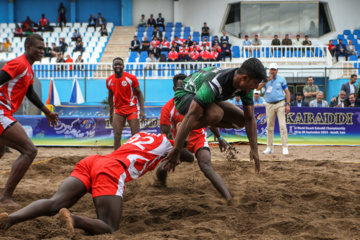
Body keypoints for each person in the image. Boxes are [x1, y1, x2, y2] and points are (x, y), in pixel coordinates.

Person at [0, 132, 193, 235]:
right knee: (109, 226)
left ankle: (10, 219)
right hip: (111, 170)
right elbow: (189, 157)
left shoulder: (145, 135)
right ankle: (75, 219)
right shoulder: (170, 144)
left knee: (54, 203)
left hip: (93, 161)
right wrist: (181, 149)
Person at [162, 58, 267, 174]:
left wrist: (254, 149)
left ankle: (183, 126)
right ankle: (183, 127)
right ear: (244, 78)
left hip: (205, 95)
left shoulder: (245, 86)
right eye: (256, 83)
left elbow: (249, 118)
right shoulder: (214, 84)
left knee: (241, 121)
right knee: (216, 113)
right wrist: (177, 149)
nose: (257, 87)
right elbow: (191, 115)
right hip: (185, 95)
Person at [0, 34, 59, 206]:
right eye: (38, 48)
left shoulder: (29, 68)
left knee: (0, 152)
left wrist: (47, 112)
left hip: (5, 112)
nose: (42, 51)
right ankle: (5, 198)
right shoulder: (18, 63)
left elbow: (30, 93)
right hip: (1, 112)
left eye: (43, 48)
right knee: (29, 151)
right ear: (27, 48)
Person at [156, 74, 231, 200]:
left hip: (198, 140)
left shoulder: (198, 103)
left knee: (206, 166)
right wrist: (174, 151)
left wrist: (220, 138)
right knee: (161, 169)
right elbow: (164, 135)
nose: (183, 90)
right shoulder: (167, 108)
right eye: (180, 87)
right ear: (174, 89)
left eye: (185, 86)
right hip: (179, 144)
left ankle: (229, 198)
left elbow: (210, 122)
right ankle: (162, 186)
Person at [106, 58, 145, 150]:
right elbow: (110, 98)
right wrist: (111, 114)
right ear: (113, 66)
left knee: (135, 135)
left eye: (120, 64)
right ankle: (117, 158)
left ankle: (136, 156)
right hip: (119, 110)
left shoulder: (131, 78)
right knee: (117, 135)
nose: (118, 66)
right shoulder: (109, 80)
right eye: (116, 64)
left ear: (123, 66)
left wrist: (142, 110)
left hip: (132, 108)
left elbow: (139, 93)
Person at [257, 63, 291, 155]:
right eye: (271, 69)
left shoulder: (281, 79)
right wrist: (267, 80)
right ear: (269, 70)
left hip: (280, 103)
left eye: (274, 69)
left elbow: (287, 92)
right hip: (269, 104)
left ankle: (285, 147)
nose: (272, 71)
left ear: (277, 70)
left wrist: (288, 104)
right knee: (269, 127)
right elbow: (258, 87)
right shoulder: (265, 79)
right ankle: (270, 147)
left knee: (282, 126)